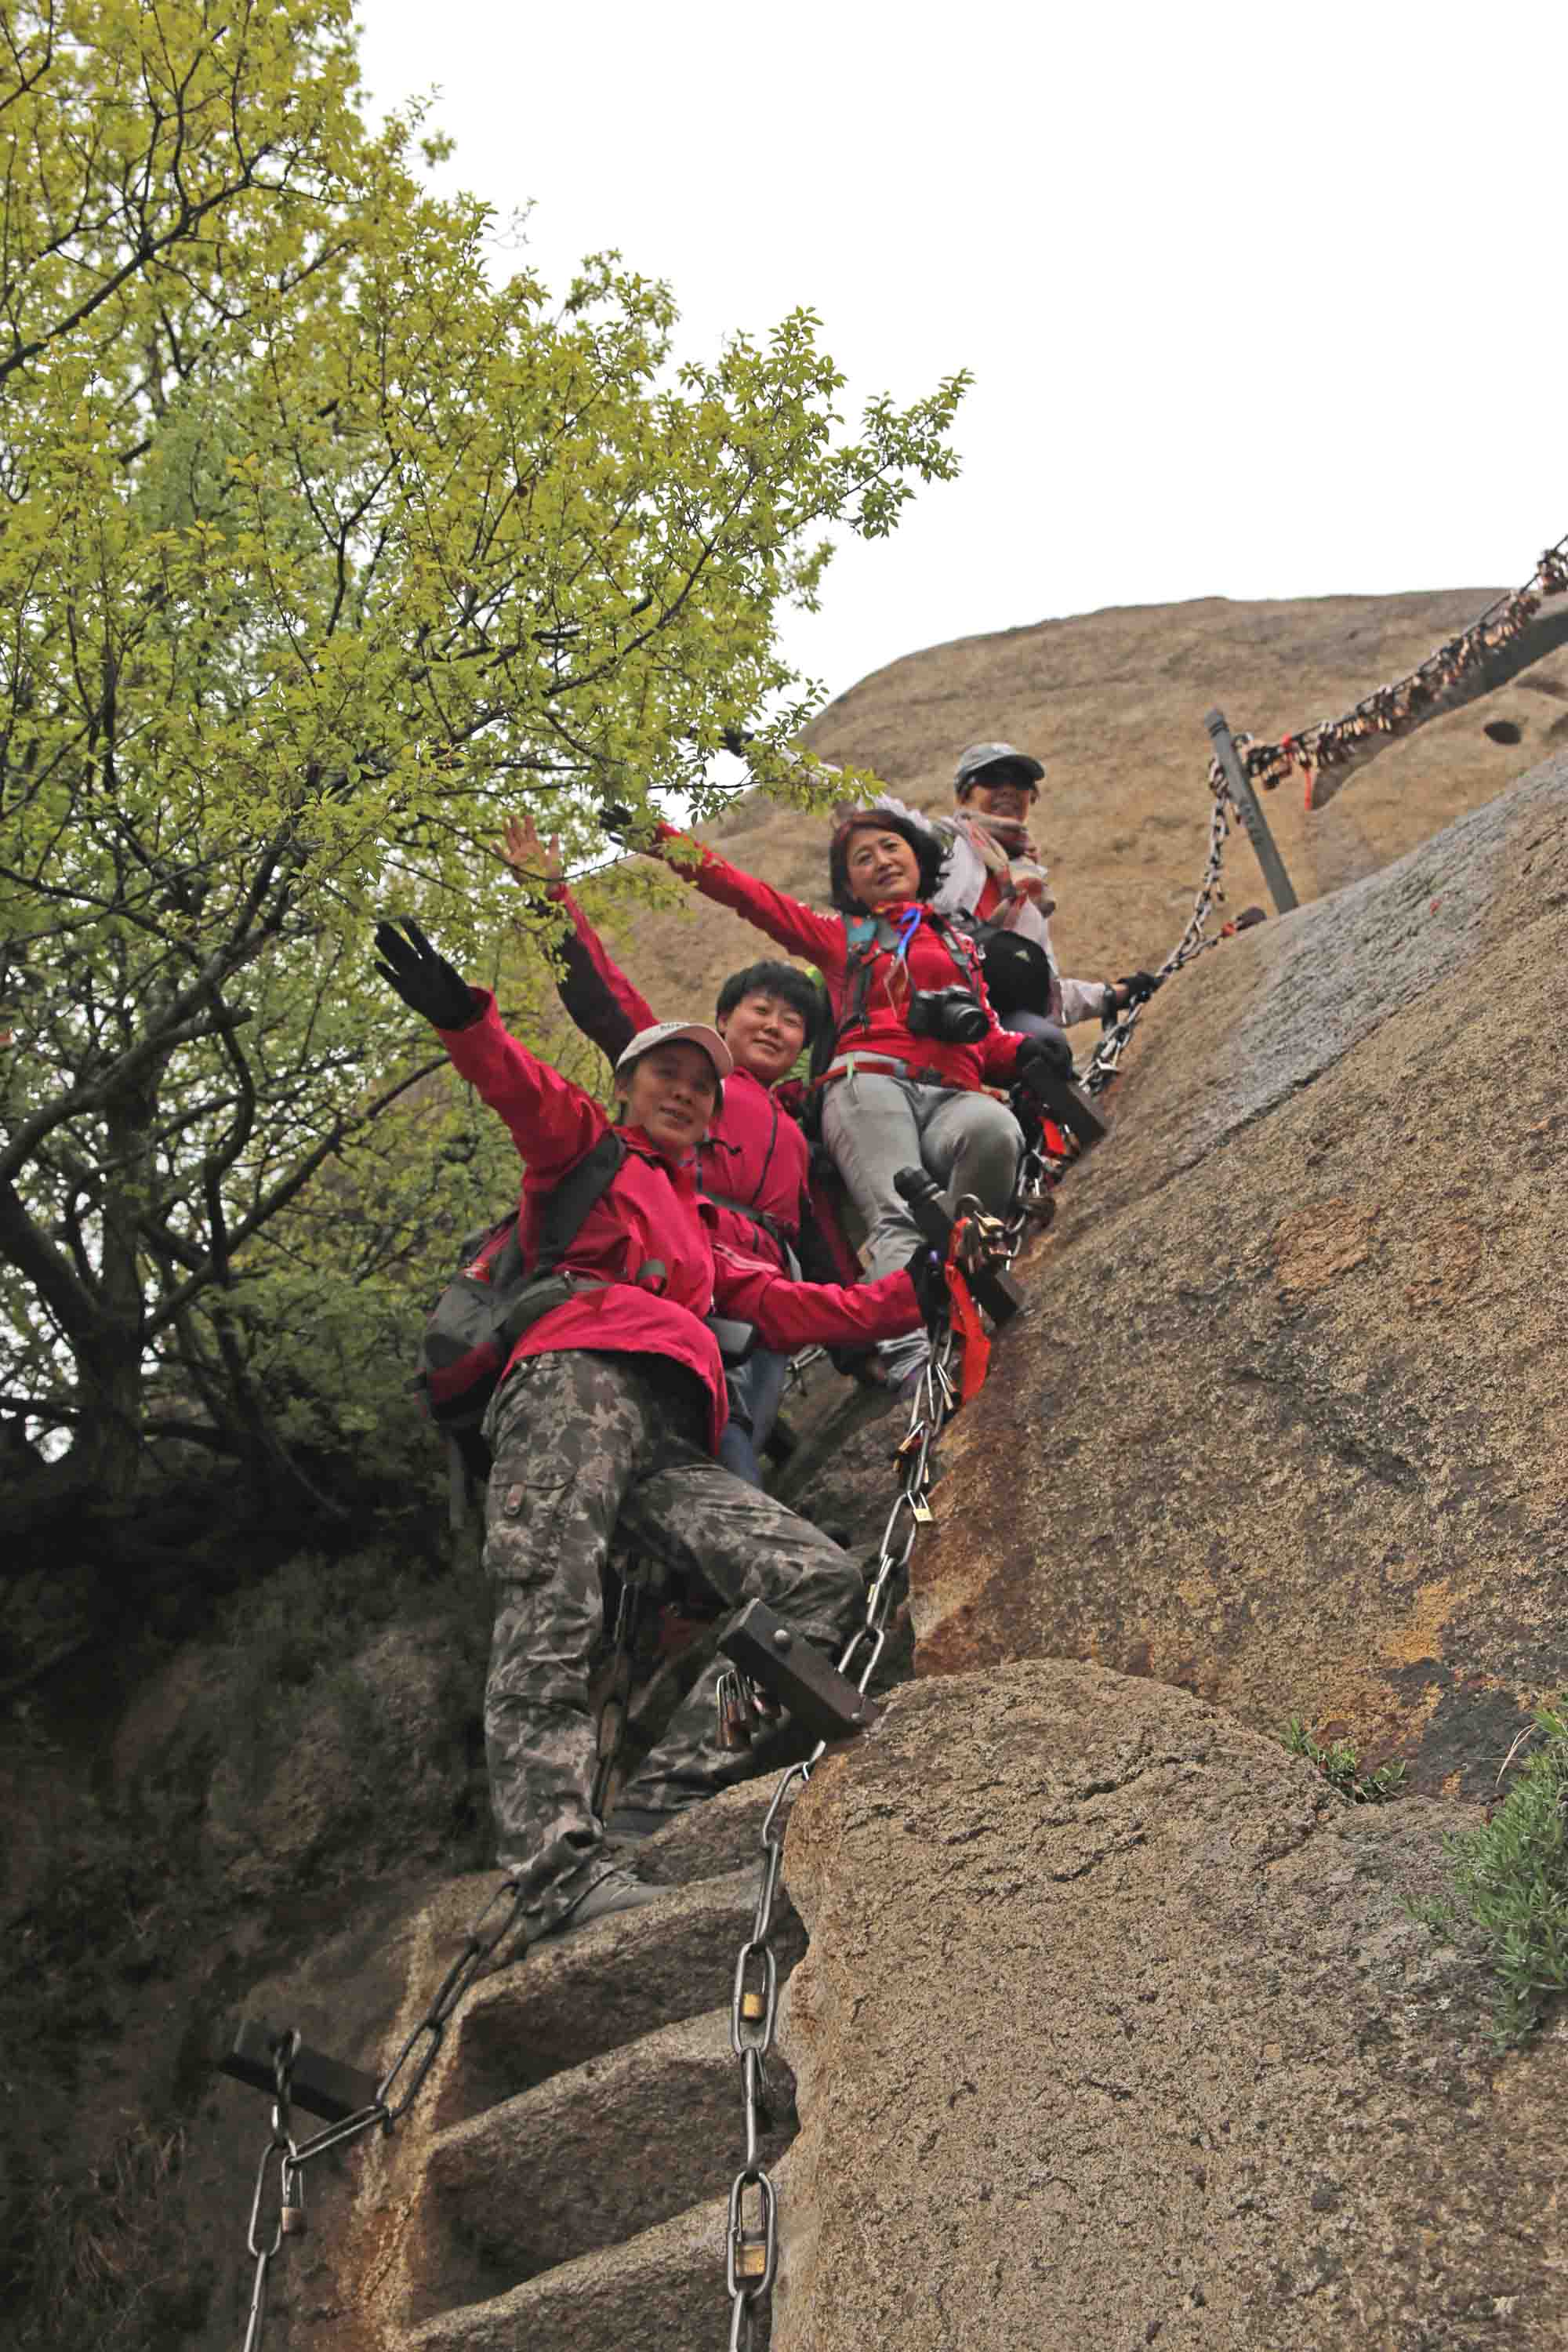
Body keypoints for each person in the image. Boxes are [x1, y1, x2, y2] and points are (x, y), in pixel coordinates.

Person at [373, 916, 941, 1942]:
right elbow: (520, 1086)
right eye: (665, 1073)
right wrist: (465, 1019)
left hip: (668, 1439)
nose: (685, 1089)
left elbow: (806, 1306)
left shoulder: (699, 1226)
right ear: (628, 1087)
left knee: (819, 1582)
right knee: (551, 1617)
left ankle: (653, 1810)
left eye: (701, 1083)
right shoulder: (584, 1152)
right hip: (570, 1389)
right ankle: (552, 1872)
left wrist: (922, 1291)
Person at [616, 804, 1071, 1388]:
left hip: (954, 1092)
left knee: (995, 1134)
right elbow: (748, 895)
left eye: (891, 848)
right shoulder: (846, 940)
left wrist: (1022, 1054)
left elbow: (985, 1038)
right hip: (868, 1085)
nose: (880, 862)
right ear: (848, 884)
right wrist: (662, 841)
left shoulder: (960, 946)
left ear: (918, 857)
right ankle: (914, 1363)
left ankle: (957, 1281)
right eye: (863, 858)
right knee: (896, 1212)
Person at [498, 815, 829, 1486]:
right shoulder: (691, 1086)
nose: (775, 1026)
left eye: (793, 1021)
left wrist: (862, 1351)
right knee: (718, 1421)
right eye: (759, 1011)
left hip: (767, 1291)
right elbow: (603, 998)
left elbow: (816, 1238)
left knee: (748, 1418)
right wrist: (550, 898)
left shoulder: (797, 1130)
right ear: (723, 1020)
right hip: (691, 1264)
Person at [877, 741, 1161, 1042]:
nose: (1008, 789)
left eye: (1020, 782)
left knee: (1045, 1042)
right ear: (963, 794)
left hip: (993, 1021)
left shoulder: (1029, 887)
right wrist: (825, 779)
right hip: (929, 1001)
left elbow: (1043, 992)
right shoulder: (937, 845)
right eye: (993, 778)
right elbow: (877, 808)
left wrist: (1114, 993)